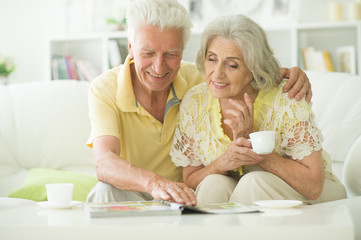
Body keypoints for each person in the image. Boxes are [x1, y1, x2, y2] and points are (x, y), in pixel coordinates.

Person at [86, 0, 313, 206]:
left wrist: (289, 74)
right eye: (148, 53)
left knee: (218, 187)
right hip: (137, 191)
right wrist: (155, 183)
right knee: (102, 192)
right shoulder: (104, 89)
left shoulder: (199, 81)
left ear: (183, 51)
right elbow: (105, 163)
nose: (159, 67)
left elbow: (243, 74)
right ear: (130, 48)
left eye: (171, 54)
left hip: (186, 197)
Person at [170, 14, 347, 205]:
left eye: (232, 65)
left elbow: (313, 186)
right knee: (213, 184)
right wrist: (224, 162)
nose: (217, 73)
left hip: (316, 195)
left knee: (253, 183)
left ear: (254, 68)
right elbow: (190, 179)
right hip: (247, 195)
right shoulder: (196, 101)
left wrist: (255, 149)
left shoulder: (287, 99)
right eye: (212, 59)